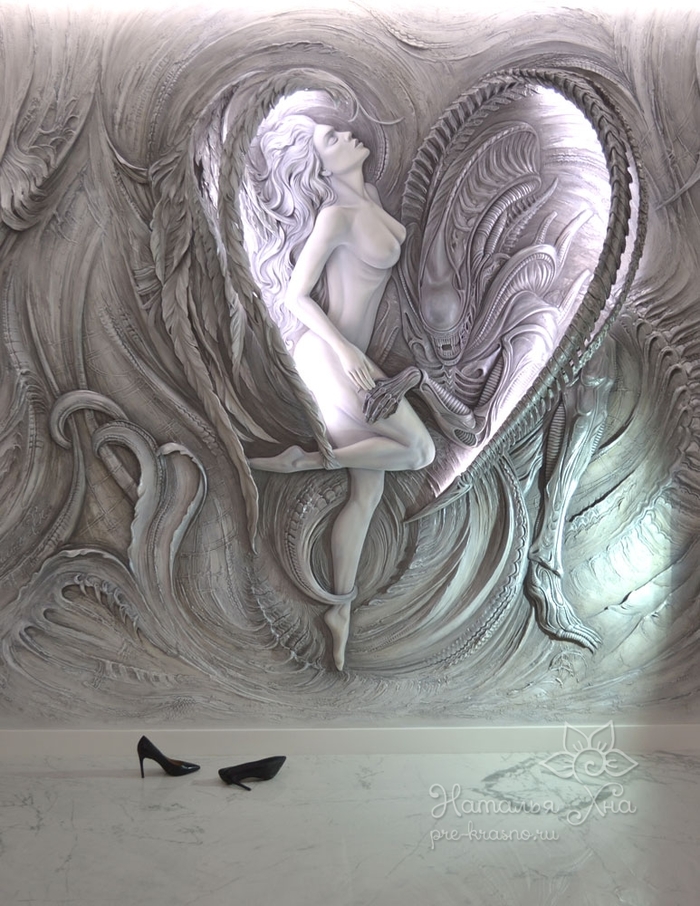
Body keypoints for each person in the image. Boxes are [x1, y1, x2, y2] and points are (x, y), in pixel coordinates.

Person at [241, 109, 435, 670]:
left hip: (354, 360)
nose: (349, 134)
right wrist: (347, 352)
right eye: (332, 136)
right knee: (420, 452)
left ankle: (340, 611)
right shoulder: (335, 216)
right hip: (330, 358)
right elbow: (297, 296)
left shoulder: (368, 198)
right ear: (319, 164)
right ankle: (304, 462)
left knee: (366, 496)